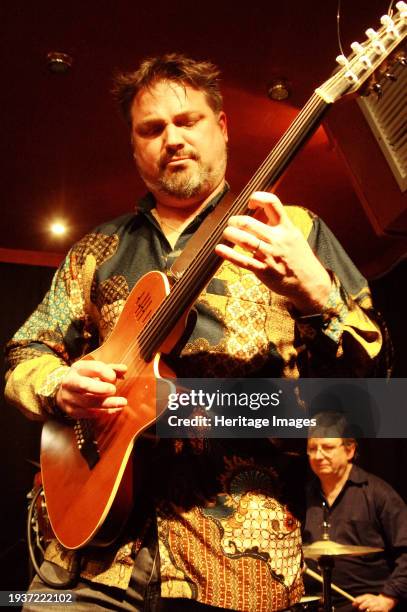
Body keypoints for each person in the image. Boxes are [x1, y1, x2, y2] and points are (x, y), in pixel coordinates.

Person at [5, 54, 387, 611]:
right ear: (134, 146)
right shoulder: (95, 252)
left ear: (223, 127)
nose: (172, 139)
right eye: (152, 129)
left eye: (188, 121)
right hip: (86, 567)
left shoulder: (294, 232)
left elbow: (375, 402)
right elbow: (23, 351)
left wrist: (321, 297)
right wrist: (57, 386)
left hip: (239, 568)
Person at [303, 413, 407, 612]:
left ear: (349, 450)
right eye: (312, 448)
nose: (318, 455)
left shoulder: (378, 494)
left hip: (363, 605)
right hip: (315, 603)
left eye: (328, 447)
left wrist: (388, 597)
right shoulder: (305, 495)